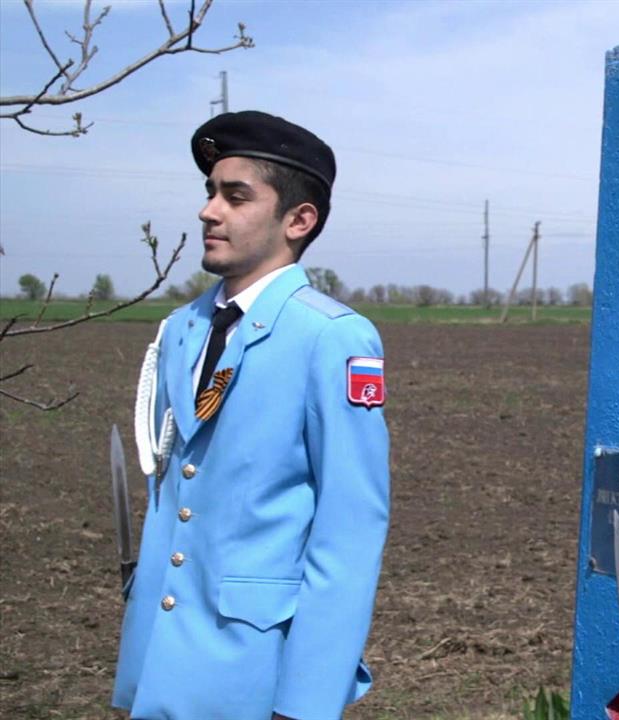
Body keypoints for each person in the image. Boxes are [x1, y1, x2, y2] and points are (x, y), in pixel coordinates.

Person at [113, 111, 391, 720]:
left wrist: (307, 702)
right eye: (210, 192)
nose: (208, 212)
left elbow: (350, 531)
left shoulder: (331, 338)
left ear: (298, 220)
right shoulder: (181, 328)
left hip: (253, 672)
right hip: (160, 661)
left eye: (235, 197)